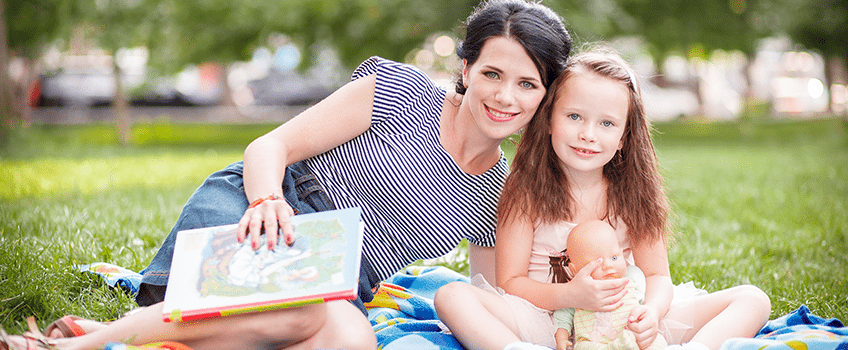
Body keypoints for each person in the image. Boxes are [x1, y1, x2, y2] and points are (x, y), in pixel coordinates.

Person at [1, 1, 574, 349]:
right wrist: (266, 201)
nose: (505, 96)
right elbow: (267, 147)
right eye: (493, 73)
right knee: (295, 307)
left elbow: (491, 297)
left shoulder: (505, 195)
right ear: (466, 67)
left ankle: (135, 332)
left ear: (545, 95)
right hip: (263, 218)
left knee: (352, 339)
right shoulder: (403, 92)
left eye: (527, 84)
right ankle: (94, 343)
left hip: (335, 288)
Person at [434, 47, 771, 350]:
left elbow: (656, 276)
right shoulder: (525, 191)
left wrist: (649, 314)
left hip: (621, 319)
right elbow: (511, 283)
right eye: (574, 116)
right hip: (546, 320)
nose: (588, 134)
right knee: (451, 296)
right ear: (549, 120)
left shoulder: (634, 193)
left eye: (607, 123)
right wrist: (570, 296)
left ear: (625, 137)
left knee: (752, 299)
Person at [551, 219, 666, 350]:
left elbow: (643, 302)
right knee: (582, 347)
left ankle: (628, 344)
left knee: (657, 341)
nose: (608, 266)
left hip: (630, 336)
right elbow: (562, 318)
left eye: (614, 258)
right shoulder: (577, 292)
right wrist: (562, 339)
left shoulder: (631, 278)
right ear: (574, 269)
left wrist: (646, 319)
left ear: (622, 254)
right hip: (596, 343)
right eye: (597, 262)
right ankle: (618, 346)